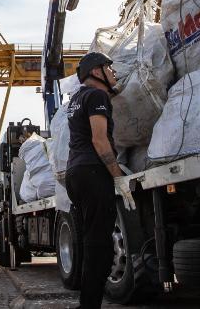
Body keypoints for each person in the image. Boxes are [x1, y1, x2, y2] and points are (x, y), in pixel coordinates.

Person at [65, 51, 135, 309]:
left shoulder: (78, 98)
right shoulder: (97, 96)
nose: (113, 72)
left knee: (90, 242)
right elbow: (99, 139)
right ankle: (89, 305)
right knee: (100, 247)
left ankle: (87, 303)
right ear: (96, 72)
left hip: (76, 172)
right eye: (109, 67)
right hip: (94, 171)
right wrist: (118, 177)